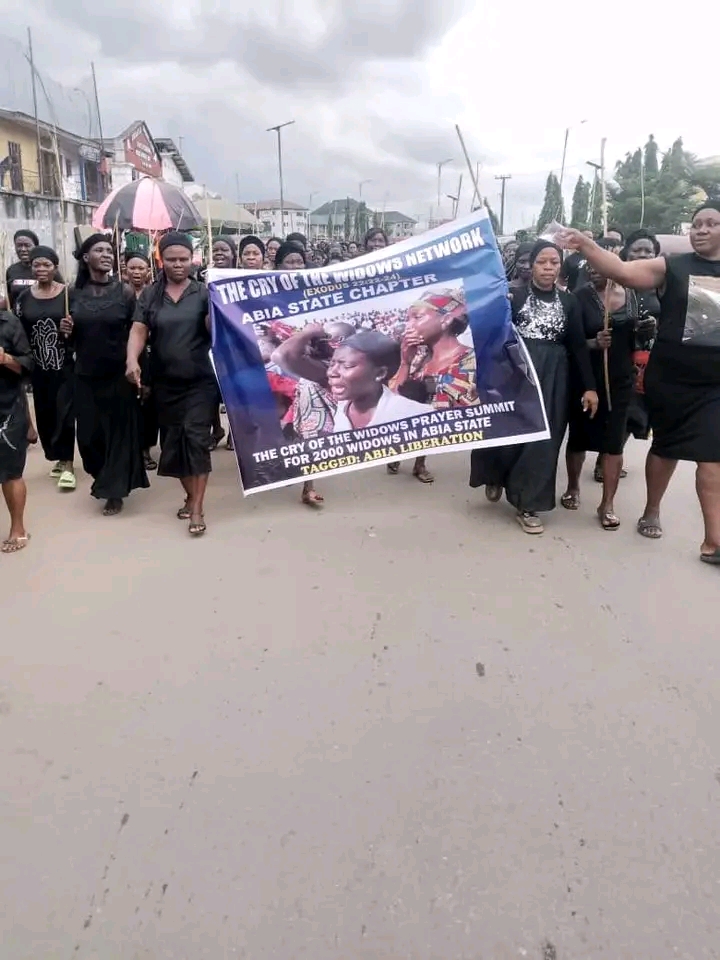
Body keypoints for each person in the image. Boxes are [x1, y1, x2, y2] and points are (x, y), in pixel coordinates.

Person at [559, 203, 720, 564]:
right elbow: (621, 270)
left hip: (715, 386)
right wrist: (586, 245)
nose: (701, 229)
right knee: (667, 449)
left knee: (713, 457)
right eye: (696, 224)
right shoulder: (673, 267)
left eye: (711, 224)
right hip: (674, 380)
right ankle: (651, 509)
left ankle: (714, 541)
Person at [469, 240, 598, 534]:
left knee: (544, 440)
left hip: (554, 376)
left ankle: (528, 503)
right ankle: (496, 475)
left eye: (554, 262)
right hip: (514, 372)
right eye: (543, 262)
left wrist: (589, 388)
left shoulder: (570, 302)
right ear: (532, 265)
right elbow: (491, 334)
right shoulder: (512, 297)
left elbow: (577, 346)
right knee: (506, 431)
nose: (549, 268)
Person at [127, 231, 215, 537]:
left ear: (193, 259)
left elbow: (213, 330)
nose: (178, 265)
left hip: (200, 381)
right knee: (174, 444)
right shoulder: (152, 294)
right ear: (161, 260)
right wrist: (132, 361)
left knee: (196, 440)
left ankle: (198, 508)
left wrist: (213, 315)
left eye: (184, 259)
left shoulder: (204, 292)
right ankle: (190, 495)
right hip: (164, 382)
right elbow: (139, 330)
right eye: (172, 260)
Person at [562, 242, 645, 529]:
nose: (594, 271)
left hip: (621, 380)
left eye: (600, 265)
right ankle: (573, 487)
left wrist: (643, 333)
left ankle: (607, 503)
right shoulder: (579, 298)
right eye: (589, 266)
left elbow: (637, 339)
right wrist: (593, 343)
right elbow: (570, 343)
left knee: (614, 443)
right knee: (580, 436)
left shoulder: (632, 295)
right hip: (587, 378)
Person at [67, 234, 148, 515]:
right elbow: (71, 341)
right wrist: (68, 332)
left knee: (118, 434)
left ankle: (115, 491)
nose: (105, 254)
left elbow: (137, 331)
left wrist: (134, 364)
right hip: (85, 376)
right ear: (85, 257)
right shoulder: (72, 294)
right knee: (89, 438)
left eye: (108, 250)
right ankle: (101, 475)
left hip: (117, 375)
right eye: (98, 250)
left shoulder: (124, 292)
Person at [388, 289, 477, 483]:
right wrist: (405, 362)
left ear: (445, 320)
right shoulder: (417, 356)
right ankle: (397, 454)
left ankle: (419, 464)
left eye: (417, 318)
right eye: (408, 319)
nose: (408, 326)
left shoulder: (471, 362)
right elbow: (392, 402)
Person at [15, 246, 76, 490]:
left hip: (64, 365)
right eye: (36, 265)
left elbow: (80, 328)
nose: (41, 269)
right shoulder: (23, 297)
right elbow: (18, 330)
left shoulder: (67, 295)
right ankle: (56, 458)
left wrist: (70, 329)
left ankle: (68, 462)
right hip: (39, 367)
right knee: (46, 413)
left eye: (46, 265)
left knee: (65, 412)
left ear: (55, 267)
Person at [329, 331, 433, 431]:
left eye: (347, 366)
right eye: (332, 364)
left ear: (380, 373)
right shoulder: (336, 411)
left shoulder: (418, 415)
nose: (332, 372)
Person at [0, 305, 33, 552]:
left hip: (7, 407)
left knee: (11, 471)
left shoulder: (9, 323)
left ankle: (18, 528)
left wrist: (4, 358)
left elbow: (27, 364)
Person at [623, 229, 661, 444]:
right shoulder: (614, 280)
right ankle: (608, 454)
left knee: (637, 408)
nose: (643, 255)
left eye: (649, 251)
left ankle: (614, 451)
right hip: (618, 352)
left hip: (648, 357)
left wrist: (656, 325)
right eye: (637, 250)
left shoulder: (663, 284)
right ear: (626, 253)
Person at [123, 252, 158, 471]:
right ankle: (131, 448)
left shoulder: (154, 294)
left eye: (141, 268)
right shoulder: (119, 294)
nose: (136, 272)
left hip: (151, 356)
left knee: (149, 404)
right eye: (132, 268)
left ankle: (146, 449)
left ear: (148, 271)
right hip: (127, 356)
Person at [5, 230, 40, 313]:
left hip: (41, 320)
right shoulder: (11, 270)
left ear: (35, 246)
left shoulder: (46, 268)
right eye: (19, 246)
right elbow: (8, 298)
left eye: (27, 245)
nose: (23, 249)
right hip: (17, 320)